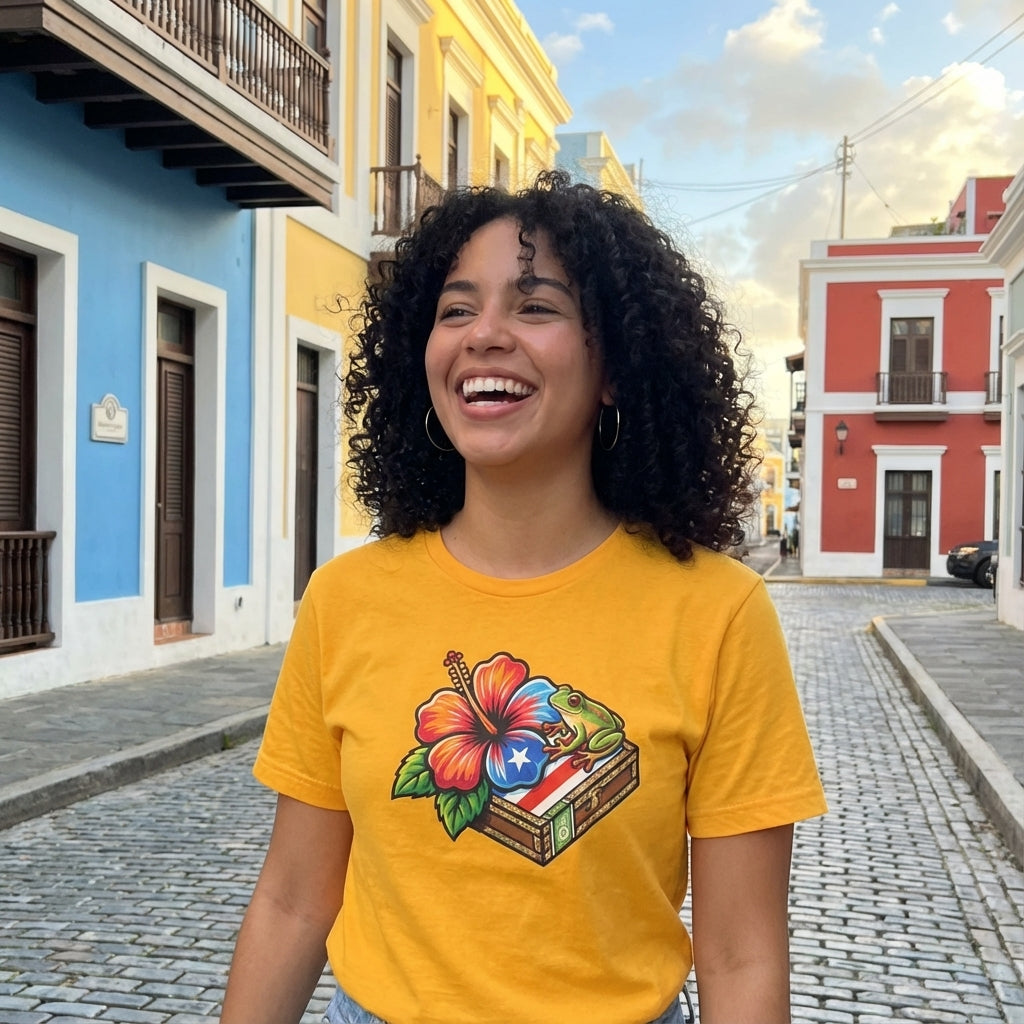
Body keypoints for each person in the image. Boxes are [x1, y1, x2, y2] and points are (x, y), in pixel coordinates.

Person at [220, 171, 827, 1024]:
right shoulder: (345, 598)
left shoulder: (718, 614)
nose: (485, 336)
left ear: (614, 366)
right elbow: (291, 901)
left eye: (534, 307)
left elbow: (742, 952)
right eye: (456, 310)